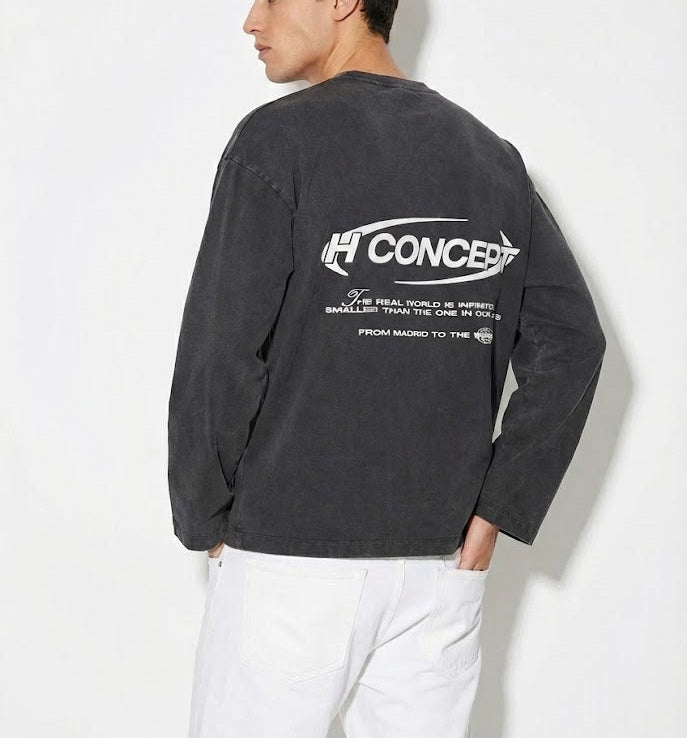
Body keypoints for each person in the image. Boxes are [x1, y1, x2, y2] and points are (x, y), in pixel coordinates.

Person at [166, 1, 606, 736]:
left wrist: (203, 518)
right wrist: (496, 512)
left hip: (288, 561)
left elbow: (220, 350)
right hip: (439, 573)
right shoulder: (489, 158)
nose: (251, 19)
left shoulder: (278, 141)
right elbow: (572, 340)